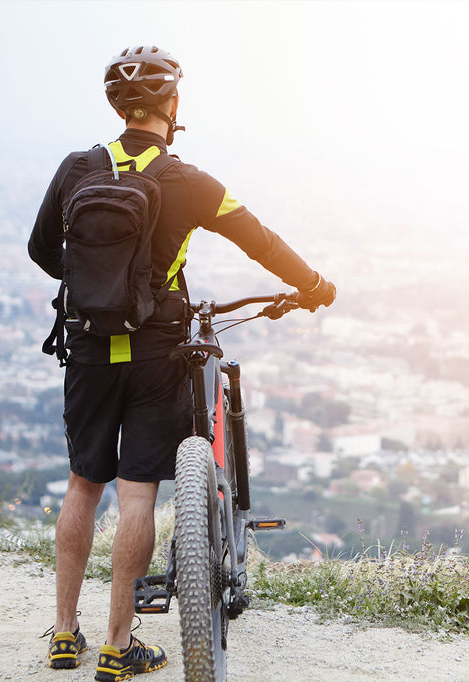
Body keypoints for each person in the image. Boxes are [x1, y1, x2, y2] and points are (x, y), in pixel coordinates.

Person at [29, 45, 335, 681]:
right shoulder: (191, 183)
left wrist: (98, 288)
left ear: (117, 106)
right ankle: (117, 646)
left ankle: (62, 634)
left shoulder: (77, 168)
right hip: (156, 351)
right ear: (172, 105)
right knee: (136, 493)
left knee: (83, 484)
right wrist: (312, 285)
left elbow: (42, 250)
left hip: (88, 347)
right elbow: (260, 240)